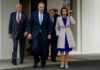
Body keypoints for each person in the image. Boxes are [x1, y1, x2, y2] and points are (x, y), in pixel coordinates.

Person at [28, 2, 51, 68]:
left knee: (44, 50)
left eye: (43, 7)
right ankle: (36, 61)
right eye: (40, 7)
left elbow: (49, 25)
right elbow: (29, 24)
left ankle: (43, 63)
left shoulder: (47, 14)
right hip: (35, 34)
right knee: (35, 48)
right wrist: (29, 33)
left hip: (44, 35)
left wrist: (49, 33)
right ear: (38, 7)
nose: (42, 8)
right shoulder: (33, 14)